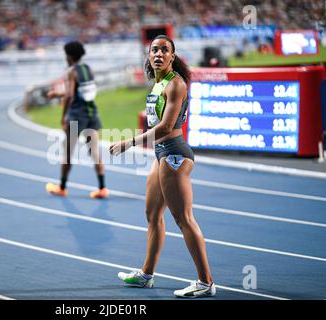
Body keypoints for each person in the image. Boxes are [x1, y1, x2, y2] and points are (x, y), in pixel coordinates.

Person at [109, 35, 215, 298]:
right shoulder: (158, 84)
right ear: (148, 55)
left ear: (172, 56)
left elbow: (167, 127)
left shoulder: (175, 84)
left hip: (175, 154)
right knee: (152, 214)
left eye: (164, 50)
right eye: (154, 50)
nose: (158, 54)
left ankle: (206, 282)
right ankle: (146, 275)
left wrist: (130, 142)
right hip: (160, 154)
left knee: (183, 218)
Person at [46, 41, 109, 199]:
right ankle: (102, 188)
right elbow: (83, 91)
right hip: (92, 113)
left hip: (76, 115)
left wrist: (63, 117)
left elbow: (70, 95)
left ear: (70, 56)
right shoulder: (88, 69)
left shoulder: (71, 71)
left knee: (67, 152)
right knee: (94, 151)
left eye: (66, 55)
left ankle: (61, 187)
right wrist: (58, 94)